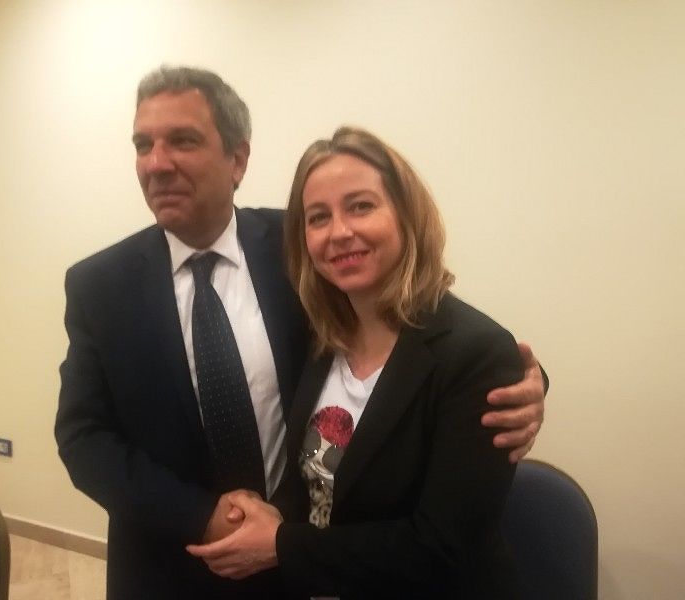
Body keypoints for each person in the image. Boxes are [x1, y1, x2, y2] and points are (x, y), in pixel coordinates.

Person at [55, 66, 546, 599]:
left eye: (183, 141)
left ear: (237, 159)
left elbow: (430, 335)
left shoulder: (300, 251)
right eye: (142, 145)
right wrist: (201, 516)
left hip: (304, 567)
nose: (156, 163)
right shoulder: (99, 286)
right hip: (171, 564)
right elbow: (83, 437)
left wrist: (524, 383)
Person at [187, 126, 538, 598]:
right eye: (318, 217)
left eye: (361, 206)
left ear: (406, 214)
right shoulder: (322, 339)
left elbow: (440, 548)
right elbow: (320, 482)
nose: (339, 232)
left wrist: (280, 545)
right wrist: (262, 512)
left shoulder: (477, 355)